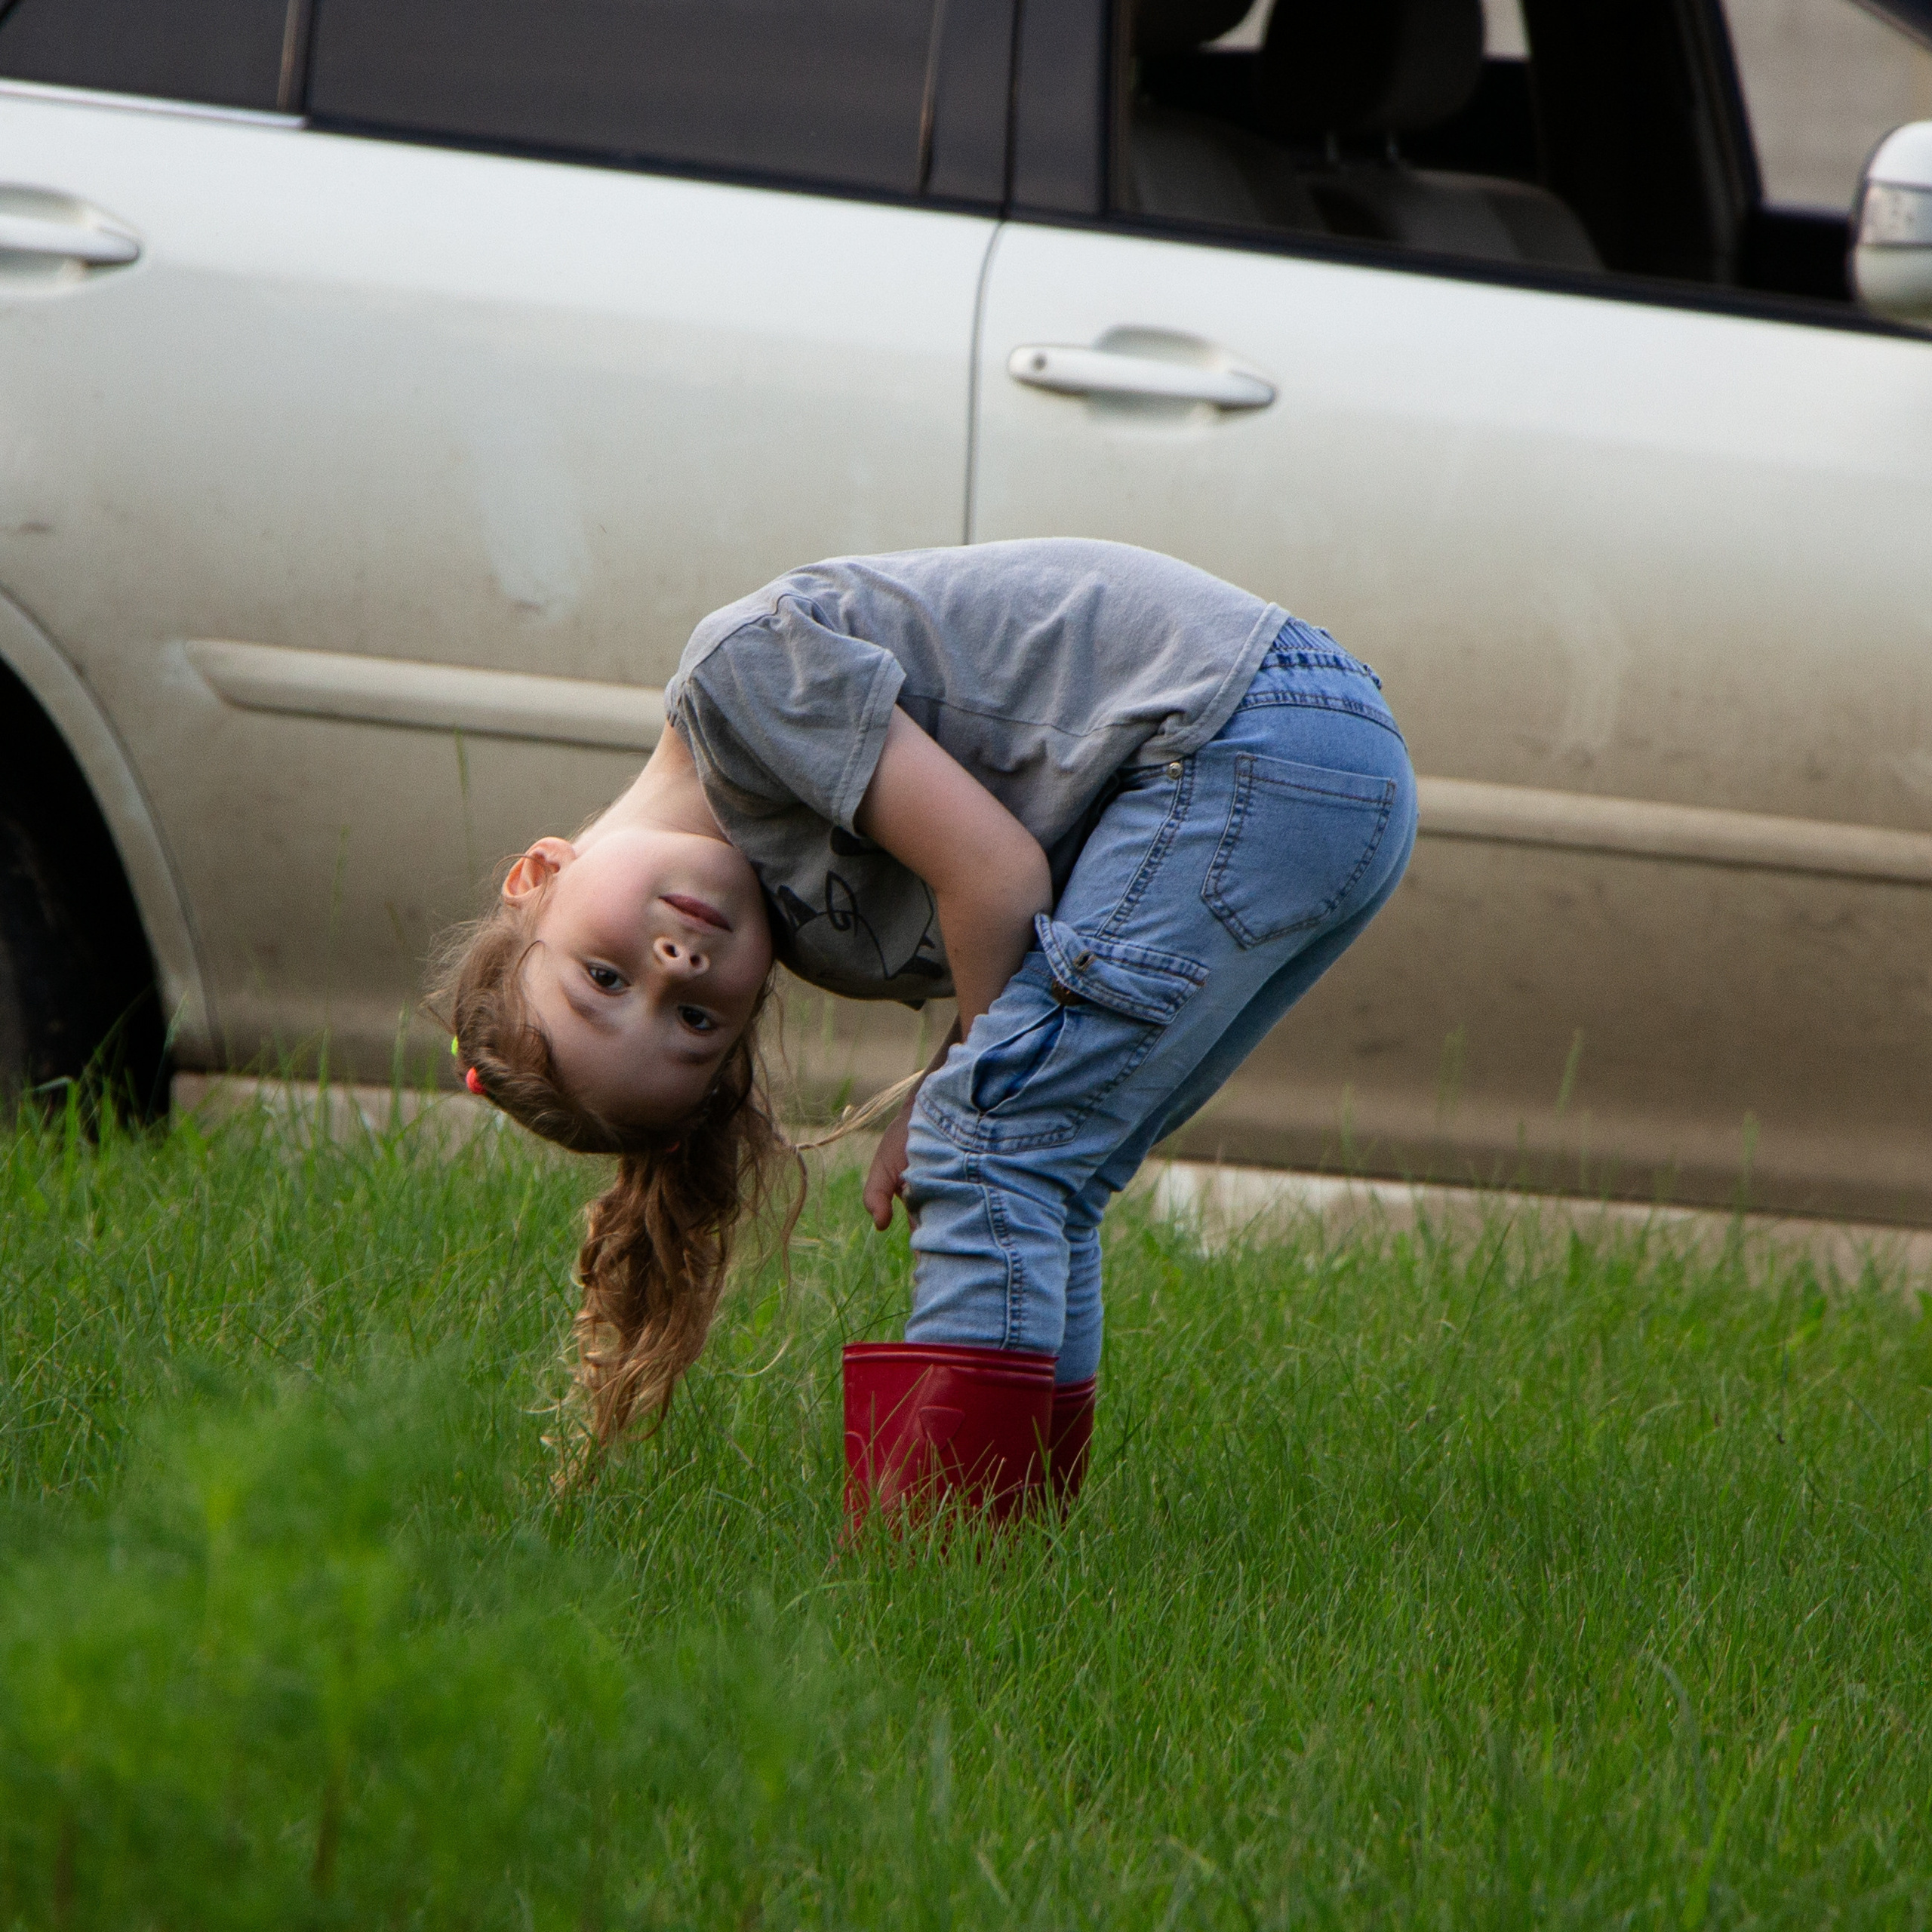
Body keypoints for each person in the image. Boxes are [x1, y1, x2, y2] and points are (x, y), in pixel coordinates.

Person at [434, 540, 1416, 1524]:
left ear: (539, 876)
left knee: (992, 1147)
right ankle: (1018, 1554)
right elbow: (1021, 930)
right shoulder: (796, 915)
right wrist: (962, 1078)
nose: (673, 971)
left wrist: (959, 1092)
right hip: (1305, 771)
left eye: (603, 977)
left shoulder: (739, 682)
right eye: (693, 1022)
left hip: (1246, 734)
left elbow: (997, 876)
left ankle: (939, 1569)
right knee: (1046, 1174)